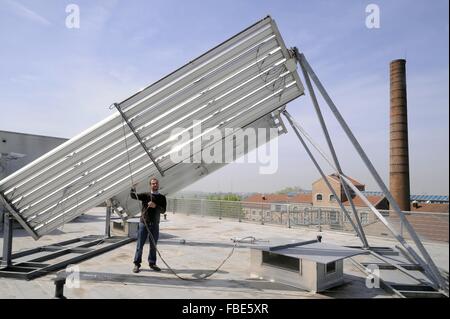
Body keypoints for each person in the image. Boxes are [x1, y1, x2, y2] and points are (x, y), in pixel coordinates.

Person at [131, 177, 167, 273]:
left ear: (158, 184)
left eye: (156, 183)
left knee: (153, 245)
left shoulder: (162, 197)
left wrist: (155, 206)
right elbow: (133, 196)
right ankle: (137, 264)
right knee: (140, 245)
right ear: (150, 185)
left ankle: (152, 263)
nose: (155, 185)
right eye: (153, 183)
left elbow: (163, 210)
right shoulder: (145, 195)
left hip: (155, 224)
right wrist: (133, 188)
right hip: (144, 224)